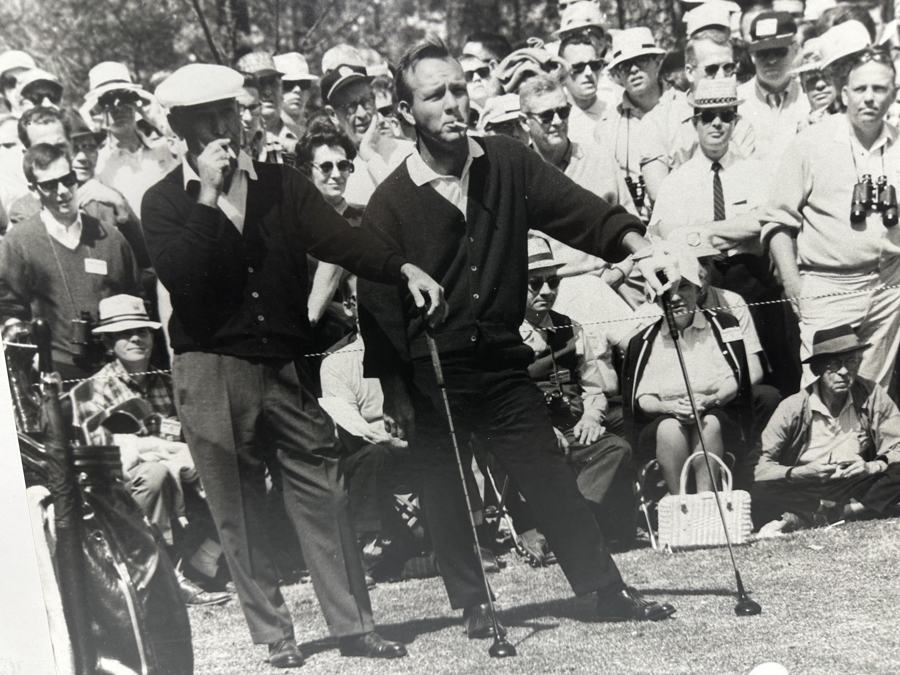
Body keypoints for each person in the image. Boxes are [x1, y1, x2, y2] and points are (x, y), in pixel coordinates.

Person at [358, 37, 678, 637]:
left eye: (459, 88)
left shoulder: (507, 160)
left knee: (547, 471)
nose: (454, 103)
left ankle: (605, 589)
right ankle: (474, 605)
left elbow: (581, 212)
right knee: (448, 487)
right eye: (435, 95)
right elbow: (375, 306)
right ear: (406, 113)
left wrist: (642, 248)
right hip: (433, 369)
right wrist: (397, 393)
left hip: (503, 358)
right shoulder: (389, 203)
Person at [141, 63, 444, 668]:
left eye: (228, 114)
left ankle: (355, 627)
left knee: (322, 487)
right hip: (209, 369)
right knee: (240, 507)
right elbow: (186, 280)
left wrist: (399, 266)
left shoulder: (283, 185)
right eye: (206, 122)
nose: (224, 130)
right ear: (181, 132)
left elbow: (342, 241)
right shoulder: (164, 201)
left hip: (282, 366)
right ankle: (276, 637)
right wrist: (207, 192)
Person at [76, 294, 232, 607]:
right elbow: (99, 454)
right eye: (123, 333)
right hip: (124, 488)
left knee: (241, 470)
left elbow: (195, 433)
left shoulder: (168, 381)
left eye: (142, 331)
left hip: (181, 474)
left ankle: (204, 560)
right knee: (155, 474)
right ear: (108, 343)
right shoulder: (94, 389)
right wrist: (156, 449)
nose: (135, 338)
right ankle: (168, 578)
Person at [650, 77, 800, 395]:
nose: (717, 123)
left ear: (736, 119)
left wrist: (703, 230)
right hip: (704, 284)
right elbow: (673, 239)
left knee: (779, 367)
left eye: (726, 115)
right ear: (695, 122)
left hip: (753, 279)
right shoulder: (676, 183)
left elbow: (766, 220)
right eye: (708, 116)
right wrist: (739, 227)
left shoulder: (756, 172)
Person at [763, 45, 900, 390]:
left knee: (873, 394)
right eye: (861, 89)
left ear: (894, 94)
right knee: (824, 395)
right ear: (845, 93)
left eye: (880, 89)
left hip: (888, 288)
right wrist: (795, 288)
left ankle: (865, 446)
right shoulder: (811, 143)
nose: (869, 98)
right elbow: (778, 222)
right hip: (828, 288)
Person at [518, 237, 636, 541]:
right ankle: (576, 527)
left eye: (553, 281)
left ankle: (582, 524)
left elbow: (593, 384)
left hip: (573, 422)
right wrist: (541, 428)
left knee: (623, 434)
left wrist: (591, 418)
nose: (546, 291)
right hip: (527, 430)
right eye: (534, 283)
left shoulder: (571, 326)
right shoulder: (502, 334)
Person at [0, 143, 140, 383]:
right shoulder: (18, 242)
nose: (63, 191)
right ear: (34, 191)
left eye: (68, 179)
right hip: (54, 372)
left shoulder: (110, 237)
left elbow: (136, 296)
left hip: (116, 371)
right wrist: (37, 360)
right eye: (50, 185)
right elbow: (7, 312)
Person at [621, 248, 755, 495]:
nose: (675, 297)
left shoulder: (723, 325)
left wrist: (709, 400)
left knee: (710, 424)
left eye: (683, 287)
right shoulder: (644, 340)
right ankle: (680, 503)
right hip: (664, 418)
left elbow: (734, 379)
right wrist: (669, 408)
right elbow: (643, 399)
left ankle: (706, 501)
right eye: (666, 289)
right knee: (670, 429)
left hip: (714, 409)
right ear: (654, 295)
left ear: (698, 288)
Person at [754, 324, 900, 531]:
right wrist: (801, 472)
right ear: (817, 369)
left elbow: (897, 445)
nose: (844, 372)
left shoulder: (870, 394)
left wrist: (872, 466)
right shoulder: (793, 407)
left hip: (854, 484)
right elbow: (761, 468)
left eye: (851, 362)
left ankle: (838, 513)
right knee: (760, 489)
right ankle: (844, 510)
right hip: (808, 487)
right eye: (833, 365)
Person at [638, 7, 757, 200]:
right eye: (711, 69)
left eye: (728, 68)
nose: (721, 77)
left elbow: (743, 188)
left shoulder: (741, 123)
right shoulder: (658, 122)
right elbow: (660, 195)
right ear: (689, 72)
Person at [321, 56, 414, 205]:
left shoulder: (408, 153)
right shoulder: (328, 169)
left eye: (366, 101)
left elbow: (409, 209)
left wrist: (369, 156)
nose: (362, 114)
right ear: (333, 114)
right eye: (350, 106)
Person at [88, 62, 177, 214]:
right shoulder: (100, 166)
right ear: (99, 108)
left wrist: (155, 117)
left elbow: (188, 146)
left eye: (124, 97)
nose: (117, 106)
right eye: (107, 100)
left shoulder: (165, 147)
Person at [594, 27, 666, 214]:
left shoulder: (684, 111)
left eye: (641, 60)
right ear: (618, 75)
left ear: (657, 63)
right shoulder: (607, 126)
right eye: (625, 66)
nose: (634, 70)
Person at [737, 11, 811, 164]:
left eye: (779, 52)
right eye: (763, 53)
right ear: (752, 55)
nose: (771, 61)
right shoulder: (737, 102)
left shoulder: (808, 98)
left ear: (795, 50)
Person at [236, 52, 299, 164]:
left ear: (282, 89)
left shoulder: (300, 135)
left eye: (273, 83)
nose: (268, 92)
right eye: (260, 83)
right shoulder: (236, 144)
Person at [273, 52, 318, 138]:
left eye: (304, 83)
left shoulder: (315, 131)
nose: (297, 90)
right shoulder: (268, 132)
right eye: (289, 84)